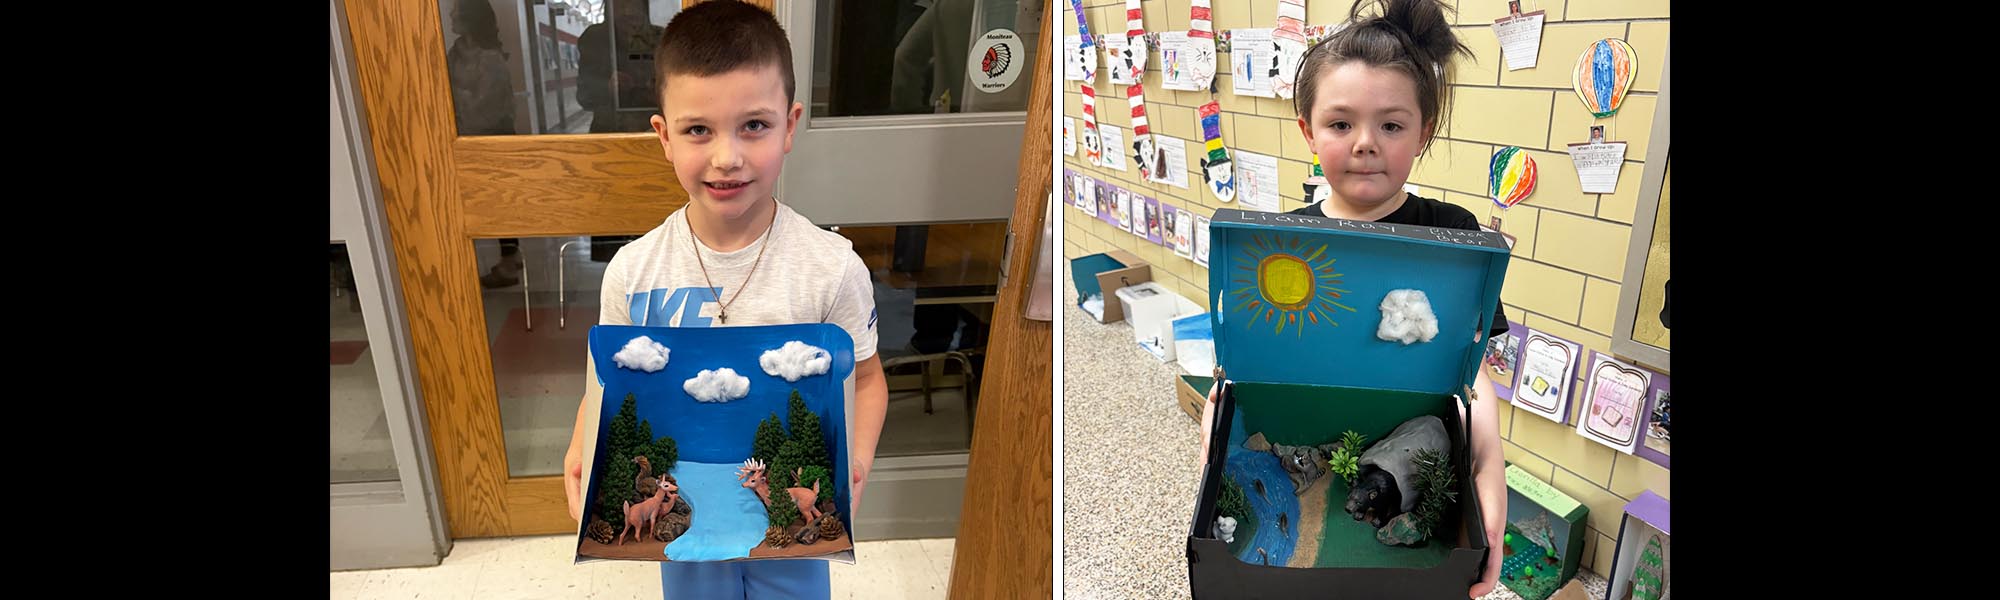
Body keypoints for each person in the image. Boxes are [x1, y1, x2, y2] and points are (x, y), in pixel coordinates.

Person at [560, 3, 888, 598]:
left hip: (786, 531)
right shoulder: (633, 271)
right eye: (698, 129)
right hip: (688, 542)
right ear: (664, 136)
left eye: (754, 126)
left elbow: (866, 379)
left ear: (791, 126)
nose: (727, 157)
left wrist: (856, 462)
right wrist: (581, 445)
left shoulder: (831, 267)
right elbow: (603, 384)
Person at [1198, 1, 1506, 596]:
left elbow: (1472, 374)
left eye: (1391, 124)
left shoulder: (1455, 235)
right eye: (1341, 124)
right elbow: (1244, 367)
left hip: (1415, 438)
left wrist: (1488, 471)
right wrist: (1217, 429)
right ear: (1308, 131)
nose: (1366, 143)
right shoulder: (1280, 245)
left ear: (1424, 132)